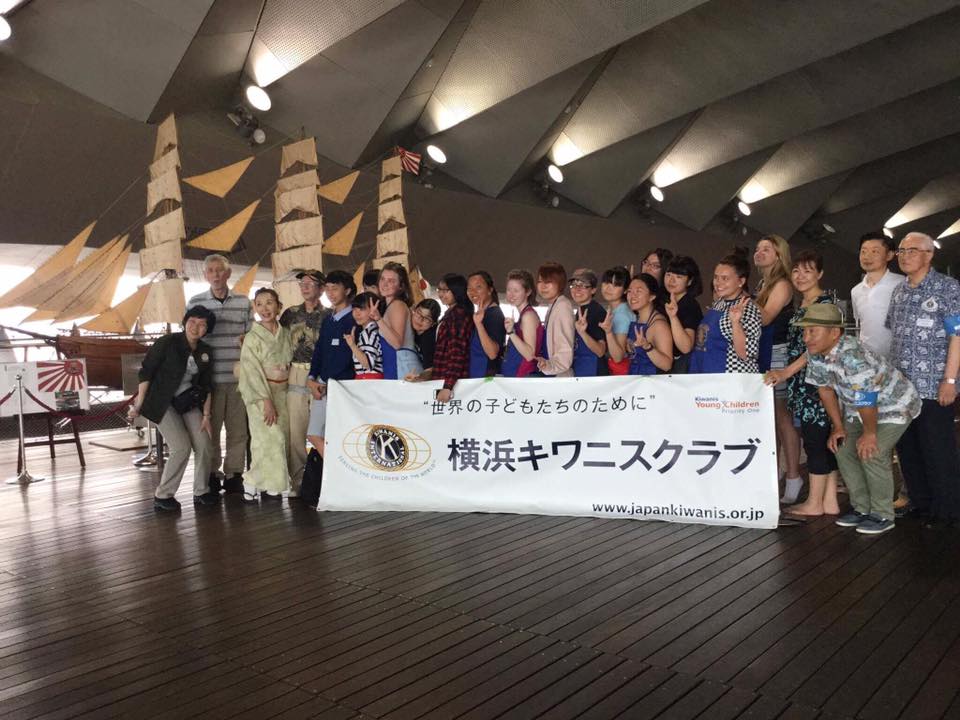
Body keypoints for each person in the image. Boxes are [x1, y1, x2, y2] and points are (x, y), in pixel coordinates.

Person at [800, 303, 921, 534]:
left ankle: (883, 514)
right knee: (843, 447)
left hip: (894, 405)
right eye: (805, 331)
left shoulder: (852, 356)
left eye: (813, 331)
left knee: (871, 452)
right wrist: (838, 427)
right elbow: (825, 390)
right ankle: (862, 508)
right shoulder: (816, 353)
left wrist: (870, 434)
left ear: (834, 333)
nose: (806, 337)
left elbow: (867, 398)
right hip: (859, 408)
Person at [887, 232, 960, 528]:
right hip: (902, 389)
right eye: (902, 250)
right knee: (909, 448)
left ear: (929, 255)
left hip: (933, 384)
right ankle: (921, 503)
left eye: (912, 250)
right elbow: (894, 335)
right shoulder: (899, 291)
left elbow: (957, 336)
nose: (905, 256)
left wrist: (950, 380)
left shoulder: (947, 288)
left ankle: (948, 510)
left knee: (937, 449)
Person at [764, 251, 839, 516]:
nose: (800, 276)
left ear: (819, 274)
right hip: (804, 382)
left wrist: (786, 372)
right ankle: (829, 500)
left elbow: (815, 348)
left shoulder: (823, 303)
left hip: (817, 383)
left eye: (808, 270)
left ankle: (814, 502)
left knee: (815, 440)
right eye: (796, 271)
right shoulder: (803, 304)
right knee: (823, 440)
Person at [130, 306, 216, 511]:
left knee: (204, 443)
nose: (196, 327)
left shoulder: (205, 351)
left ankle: (201, 491)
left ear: (207, 330)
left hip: (187, 401)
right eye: (192, 321)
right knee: (181, 447)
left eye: (202, 324)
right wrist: (139, 404)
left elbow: (207, 385)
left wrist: (206, 415)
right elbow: (146, 372)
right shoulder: (167, 342)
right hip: (162, 402)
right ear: (185, 322)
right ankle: (163, 495)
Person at [186, 254, 252, 495]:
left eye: (220, 270)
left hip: (238, 379)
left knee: (238, 430)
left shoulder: (244, 302)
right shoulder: (195, 302)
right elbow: (189, 338)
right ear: (205, 275)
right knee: (210, 430)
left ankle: (234, 473)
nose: (215, 274)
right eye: (211, 271)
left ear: (228, 273)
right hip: (208, 380)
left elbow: (253, 337)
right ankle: (212, 473)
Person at [754, 234, 802, 503]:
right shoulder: (763, 283)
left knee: (783, 417)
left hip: (778, 352)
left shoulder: (782, 284)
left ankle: (794, 475)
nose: (759, 253)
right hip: (764, 351)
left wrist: (741, 304)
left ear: (779, 255)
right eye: (758, 249)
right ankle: (777, 471)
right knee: (771, 418)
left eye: (766, 249)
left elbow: (765, 317)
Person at [238, 288, 293, 500]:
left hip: (283, 391)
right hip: (260, 394)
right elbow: (251, 371)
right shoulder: (252, 337)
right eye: (259, 304)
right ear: (255, 308)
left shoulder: (285, 333)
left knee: (280, 439)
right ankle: (252, 481)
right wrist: (266, 400)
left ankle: (271, 482)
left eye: (269, 302)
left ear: (278, 306)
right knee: (266, 438)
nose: (265, 308)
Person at [278, 269, 329, 497]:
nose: (305, 287)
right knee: (296, 430)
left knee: (322, 429)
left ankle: (325, 480)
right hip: (296, 372)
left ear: (322, 288)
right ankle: (297, 481)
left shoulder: (330, 316)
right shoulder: (290, 314)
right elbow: (278, 341)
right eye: (302, 283)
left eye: (310, 283)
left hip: (321, 375)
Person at [305, 271, 356, 483]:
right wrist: (311, 378)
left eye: (335, 288)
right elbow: (319, 351)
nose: (330, 293)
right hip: (322, 385)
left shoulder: (354, 319)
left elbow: (349, 358)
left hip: (342, 388)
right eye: (327, 288)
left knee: (337, 434)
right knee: (315, 433)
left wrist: (330, 383)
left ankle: (342, 478)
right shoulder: (329, 320)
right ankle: (340, 475)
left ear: (348, 290)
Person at [689, 249, 762, 374]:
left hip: (730, 378)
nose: (718, 283)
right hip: (706, 374)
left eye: (725, 278)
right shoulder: (720, 303)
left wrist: (736, 323)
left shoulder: (748, 309)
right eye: (716, 277)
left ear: (741, 281)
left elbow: (746, 354)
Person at [851, 231, 902, 357]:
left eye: (875, 251)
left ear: (889, 255)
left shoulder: (902, 285)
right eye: (863, 251)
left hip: (897, 360)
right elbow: (861, 324)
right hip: (868, 360)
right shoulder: (856, 291)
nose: (867, 256)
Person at [370, 262, 421, 380]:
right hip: (397, 365)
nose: (385, 284)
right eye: (382, 279)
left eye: (391, 281)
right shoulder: (391, 306)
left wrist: (378, 319)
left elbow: (397, 343)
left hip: (402, 368)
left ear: (401, 286)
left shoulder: (398, 305)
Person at [427, 274, 474, 401]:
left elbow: (457, 352)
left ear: (457, 291)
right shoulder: (452, 313)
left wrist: (448, 386)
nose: (441, 294)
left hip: (452, 382)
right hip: (448, 378)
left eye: (445, 290)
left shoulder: (458, 315)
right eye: (439, 289)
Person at [616, 273, 672, 375]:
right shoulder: (636, 319)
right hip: (634, 378)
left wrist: (647, 346)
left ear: (652, 296)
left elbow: (667, 365)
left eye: (639, 291)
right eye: (630, 291)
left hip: (651, 381)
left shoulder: (659, 325)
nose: (632, 295)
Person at [663, 255, 704, 373]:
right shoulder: (667, 301)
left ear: (689, 281)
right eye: (668, 275)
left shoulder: (690, 305)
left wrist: (673, 317)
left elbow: (686, 347)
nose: (671, 280)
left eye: (678, 276)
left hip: (683, 369)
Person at [535, 262, 575, 377]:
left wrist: (549, 366)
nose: (543, 286)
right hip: (553, 373)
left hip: (558, 377)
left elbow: (565, 352)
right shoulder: (554, 305)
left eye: (548, 282)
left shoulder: (562, 307)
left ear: (560, 284)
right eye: (540, 281)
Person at [502, 269, 543, 378]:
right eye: (509, 290)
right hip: (518, 376)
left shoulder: (528, 316)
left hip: (524, 376)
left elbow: (529, 355)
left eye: (516, 290)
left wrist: (511, 333)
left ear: (528, 292)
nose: (511, 295)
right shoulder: (523, 315)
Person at [569, 268, 607, 377]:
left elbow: (600, 351)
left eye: (583, 285)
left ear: (593, 290)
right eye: (574, 285)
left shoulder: (597, 312)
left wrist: (582, 333)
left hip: (594, 373)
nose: (577, 289)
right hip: (582, 370)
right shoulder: (581, 309)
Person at [467, 271, 506, 378]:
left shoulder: (494, 315)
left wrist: (479, 324)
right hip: (477, 377)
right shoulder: (481, 314)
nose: (473, 292)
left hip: (487, 379)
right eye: (469, 288)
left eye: (478, 287)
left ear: (490, 290)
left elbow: (492, 353)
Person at [599, 266, 633, 375]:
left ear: (626, 290)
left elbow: (618, 357)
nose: (609, 288)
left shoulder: (621, 314)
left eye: (616, 285)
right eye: (606, 282)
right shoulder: (616, 309)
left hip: (622, 374)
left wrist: (608, 332)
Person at [346, 292, 386, 379]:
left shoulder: (369, 333)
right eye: (354, 309)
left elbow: (368, 364)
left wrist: (352, 345)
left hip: (369, 380)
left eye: (362, 309)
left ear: (374, 309)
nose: (357, 313)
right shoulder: (373, 330)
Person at [411, 298, 440, 373]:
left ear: (433, 323)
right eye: (419, 313)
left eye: (427, 318)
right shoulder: (410, 330)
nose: (420, 319)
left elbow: (429, 370)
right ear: (414, 310)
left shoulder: (428, 339)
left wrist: (417, 378)